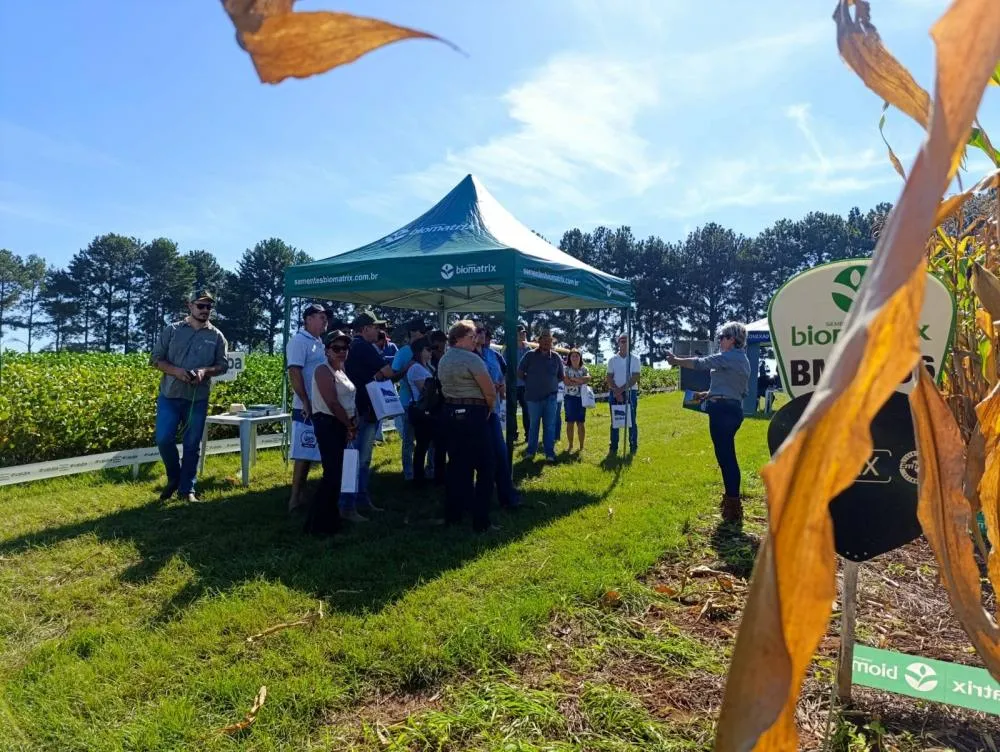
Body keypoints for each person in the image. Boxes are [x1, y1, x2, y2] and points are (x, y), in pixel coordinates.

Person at [666, 321, 751, 524]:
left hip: (722, 412)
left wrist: (676, 360)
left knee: (726, 458)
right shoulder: (742, 360)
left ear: (732, 339)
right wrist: (710, 393)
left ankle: (733, 506)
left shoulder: (729, 357)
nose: (719, 341)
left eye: (722, 337)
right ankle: (732, 502)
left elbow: (701, 363)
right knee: (727, 456)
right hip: (731, 409)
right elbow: (742, 391)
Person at [150, 290, 229, 503]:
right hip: (170, 395)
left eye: (208, 307)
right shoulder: (172, 330)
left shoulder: (217, 336)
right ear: (190, 306)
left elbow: (222, 365)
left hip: (197, 398)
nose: (205, 310)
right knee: (164, 439)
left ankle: (187, 490)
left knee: (192, 444)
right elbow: (155, 359)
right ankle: (174, 477)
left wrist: (205, 372)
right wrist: (176, 371)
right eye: (200, 306)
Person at [437, 319, 497, 533]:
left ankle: (453, 515)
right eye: (472, 337)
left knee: (456, 467)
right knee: (485, 467)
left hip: (450, 413)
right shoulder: (472, 359)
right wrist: (489, 407)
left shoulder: (443, 360)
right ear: (460, 338)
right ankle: (481, 520)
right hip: (474, 413)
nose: (475, 340)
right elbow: (489, 391)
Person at [342, 309, 395, 522]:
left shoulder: (354, 346)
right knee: (358, 459)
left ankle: (358, 500)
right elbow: (389, 371)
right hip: (363, 409)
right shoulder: (365, 347)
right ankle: (349, 504)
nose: (379, 330)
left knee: (358, 459)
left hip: (359, 408)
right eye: (375, 327)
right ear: (365, 329)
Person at [304, 330, 357, 537]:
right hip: (329, 424)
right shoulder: (322, 370)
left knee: (337, 475)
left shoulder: (342, 371)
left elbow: (349, 400)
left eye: (345, 348)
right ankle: (319, 523)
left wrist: (353, 421)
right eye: (336, 348)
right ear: (327, 350)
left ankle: (330, 520)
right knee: (332, 474)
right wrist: (349, 425)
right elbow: (332, 402)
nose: (342, 352)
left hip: (343, 423)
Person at [286, 303, 328, 513]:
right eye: (321, 317)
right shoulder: (299, 341)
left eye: (325, 317)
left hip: (320, 405)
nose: (324, 321)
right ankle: (294, 499)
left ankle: (304, 495)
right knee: (304, 452)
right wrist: (304, 400)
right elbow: (294, 372)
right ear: (308, 319)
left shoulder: (318, 342)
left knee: (313, 452)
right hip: (306, 406)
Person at [476, 324, 519, 508]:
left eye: (484, 331)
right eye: (477, 331)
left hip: (493, 411)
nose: (482, 334)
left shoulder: (494, 355)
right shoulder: (469, 356)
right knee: (480, 457)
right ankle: (476, 499)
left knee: (500, 454)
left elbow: (504, 374)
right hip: (476, 412)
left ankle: (507, 496)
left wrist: (501, 385)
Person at [392, 318, 432, 481]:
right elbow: (392, 377)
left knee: (425, 440)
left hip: (425, 405)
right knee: (409, 440)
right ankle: (409, 473)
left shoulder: (426, 351)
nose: (424, 335)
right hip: (407, 402)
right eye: (422, 332)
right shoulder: (403, 352)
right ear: (413, 333)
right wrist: (406, 369)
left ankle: (427, 470)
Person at [517, 328, 564, 462]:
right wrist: (529, 382)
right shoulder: (529, 355)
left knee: (549, 426)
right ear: (539, 341)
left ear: (551, 342)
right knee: (534, 425)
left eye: (549, 340)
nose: (546, 342)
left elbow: (561, 376)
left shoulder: (556, 357)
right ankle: (531, 451)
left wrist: (551, 383)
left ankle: (549, 453)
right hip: (533, 397)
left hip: (551, 398)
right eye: (544, 339)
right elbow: (520, 372)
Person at [405, 337, 436, 486]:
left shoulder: (427, 367)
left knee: (428, 444)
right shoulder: (416, 368)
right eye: (428, 350)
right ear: (419, 351)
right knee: (422, 445)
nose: (431, 353)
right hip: (420, 409)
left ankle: (427, 473)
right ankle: (418, 477)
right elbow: (424, 391)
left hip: (429, 410)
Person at [606, 333, 641, 456]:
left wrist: (621, 390)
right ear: (618, 343)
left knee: (631, 420)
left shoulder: (635, 359)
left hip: (630, 392)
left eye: (626, 341)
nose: (623, 343)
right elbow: (609, 377)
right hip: (614, 393)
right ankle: (614, 446)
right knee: (615, 420)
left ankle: (633, 445)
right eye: (621, 340)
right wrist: (616, 391)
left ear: (629, 343)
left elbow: (635, 377)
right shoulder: (612, 360)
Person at [563, 349, 591, 453]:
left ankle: (581, 446)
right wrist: (580, 381)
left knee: (581, 423)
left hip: (581, 398)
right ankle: (570, 445)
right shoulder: (566, 369)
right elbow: (566, 382)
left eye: (577, 356)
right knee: (570, 423)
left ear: (580, 358)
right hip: (569, 398)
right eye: (573, 356)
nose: (575, 358)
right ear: (569, 358)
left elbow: (588, 379)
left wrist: (573, 379)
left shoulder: (584, 369)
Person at [508, 325, 531, 442]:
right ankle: (513, 434)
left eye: (524, 333)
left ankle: (528, 435)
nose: (523, 335)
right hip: (512, 385)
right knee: (511, 411)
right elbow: (504, 366)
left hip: (526, 386)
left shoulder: (529, 350)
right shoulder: (509, 349)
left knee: (527, 411)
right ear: (515, 335)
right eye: (521, 333)